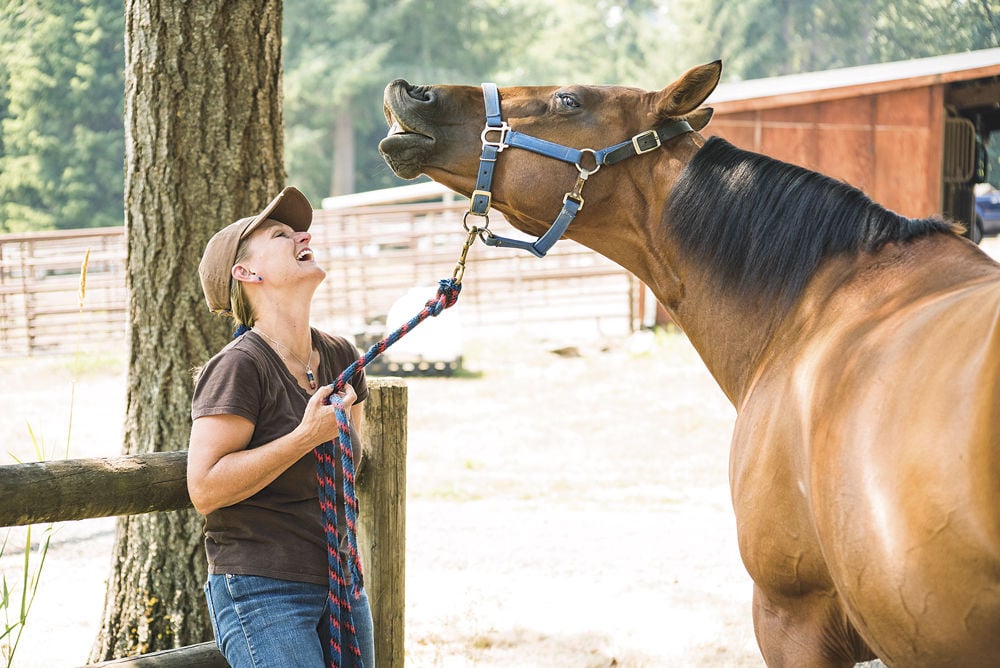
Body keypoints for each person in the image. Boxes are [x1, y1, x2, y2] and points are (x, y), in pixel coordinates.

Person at [187, 186, 375, 667]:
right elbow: (205, 488)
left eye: (299, 230)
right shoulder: (238, 367)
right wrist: (303, 438)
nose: (302, 235)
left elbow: (348, 461)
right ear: (246, 272)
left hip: (341, 583)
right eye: (280, 234)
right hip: (262, 589)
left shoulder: (340, 356)